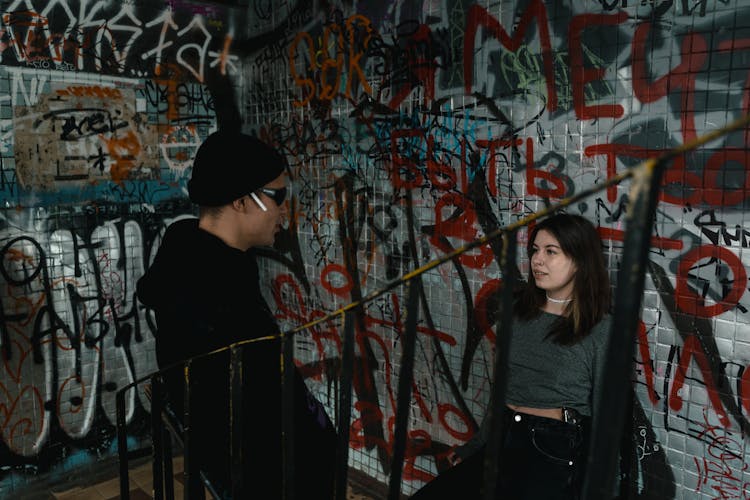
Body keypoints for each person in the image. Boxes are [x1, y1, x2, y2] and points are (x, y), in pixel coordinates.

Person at [137, 130, 337, 499]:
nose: (284, 211)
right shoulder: (216, 292)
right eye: (277, 197)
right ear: (242, 201)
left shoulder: (191, 254)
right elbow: (262, 404)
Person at [411, 213, 612, 499]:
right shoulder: (518, 315)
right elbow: (500, 389)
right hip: (502, 435)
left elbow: (608, 417)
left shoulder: (600, 329)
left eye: (550, 252)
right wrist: (477, 444)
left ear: (580, 261)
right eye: (535, 250)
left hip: (551, 447)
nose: (537, 260)